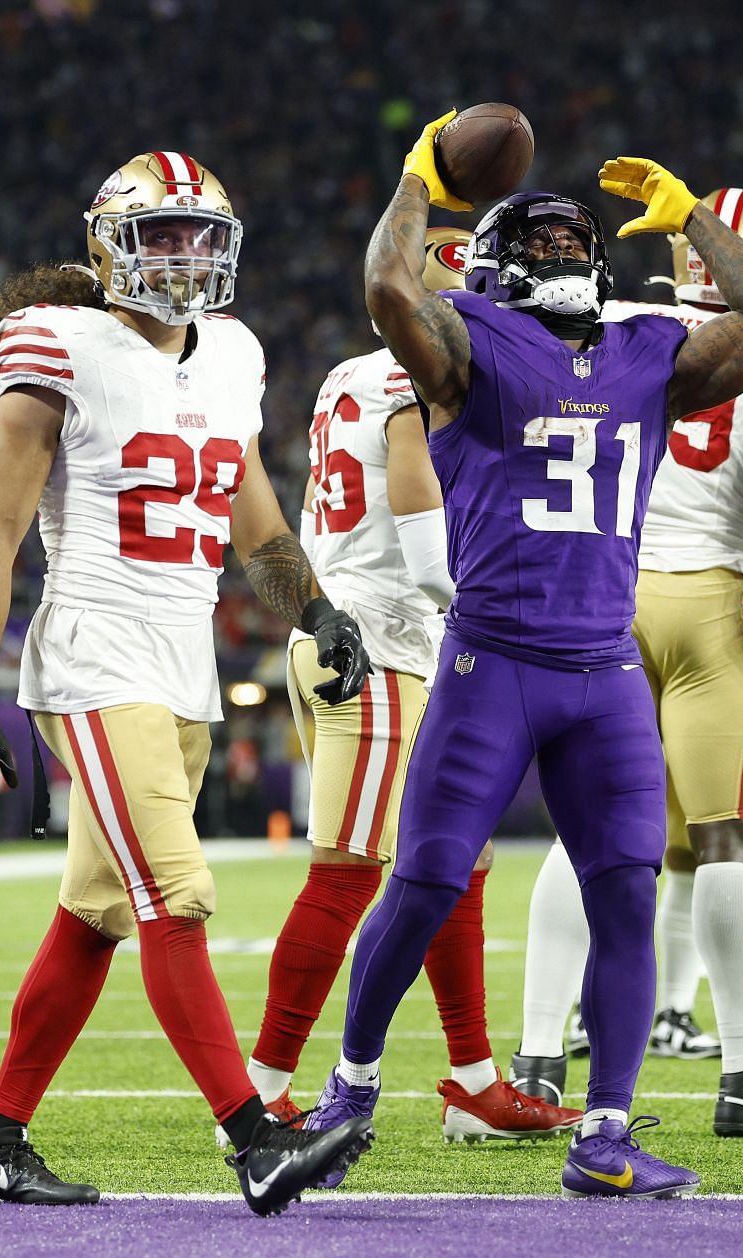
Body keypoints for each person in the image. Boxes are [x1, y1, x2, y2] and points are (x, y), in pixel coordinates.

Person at [300, 113, 743, 1200]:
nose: (565, 257)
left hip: (601, 671)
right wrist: (415, 179)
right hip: (496, 661)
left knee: (624, 891)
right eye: (553, 247)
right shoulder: (490, 349)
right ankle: (349, 1088)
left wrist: (697, 225)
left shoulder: (635, 351)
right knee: (427, 882)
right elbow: (394, 293)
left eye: (575, 244)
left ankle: (605, 1132)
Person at [0, 152, 375, 1215]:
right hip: (94, 649)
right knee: (178, 894)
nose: (183, 255)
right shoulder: (58, 343)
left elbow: (251, 508)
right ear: (107, 246)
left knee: (95, 913)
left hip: (182, 664)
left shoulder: (233, 355)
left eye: (198, 235)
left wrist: (314, 607)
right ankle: (256, 1139)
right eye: (160, 234)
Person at [510, 192, 743, 1139]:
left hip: (601, 597)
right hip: (715, 605)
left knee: (581, 839)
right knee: (727, 843)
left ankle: (540, 1064)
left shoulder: (615, 320)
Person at [251, 227, 580, 1143]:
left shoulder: (349, 372)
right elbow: (419, 519)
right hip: (377, 639)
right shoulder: (405, 373)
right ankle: (261, 1089)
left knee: (455, 867)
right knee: (350, 873)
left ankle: (473, 1079)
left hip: (377, 637)